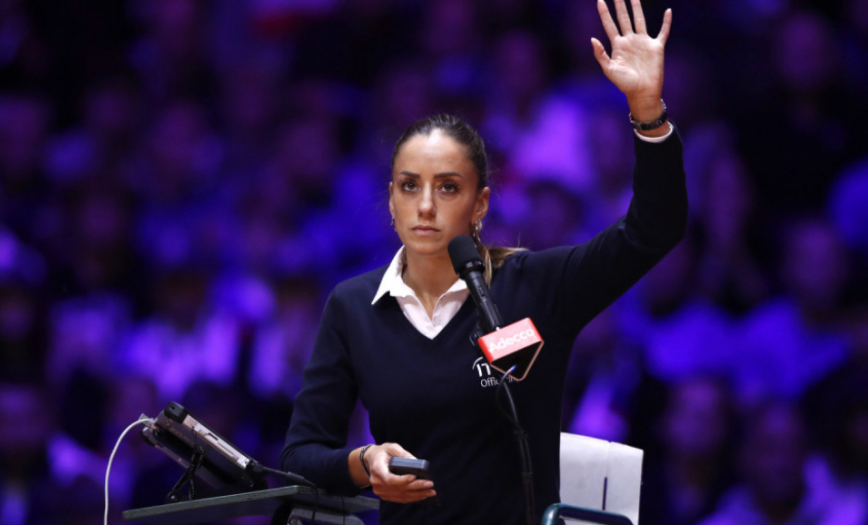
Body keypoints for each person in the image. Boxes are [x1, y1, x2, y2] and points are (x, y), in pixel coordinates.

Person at [281, 0, 686, 523]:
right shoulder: (354, 306)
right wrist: (363, 463)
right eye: (410, 186)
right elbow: (301, 456)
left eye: (448, 187)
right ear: (392, 202)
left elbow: (655, 229)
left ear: (480, 206)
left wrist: (648, 113)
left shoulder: (534, 286)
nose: (426, 205)